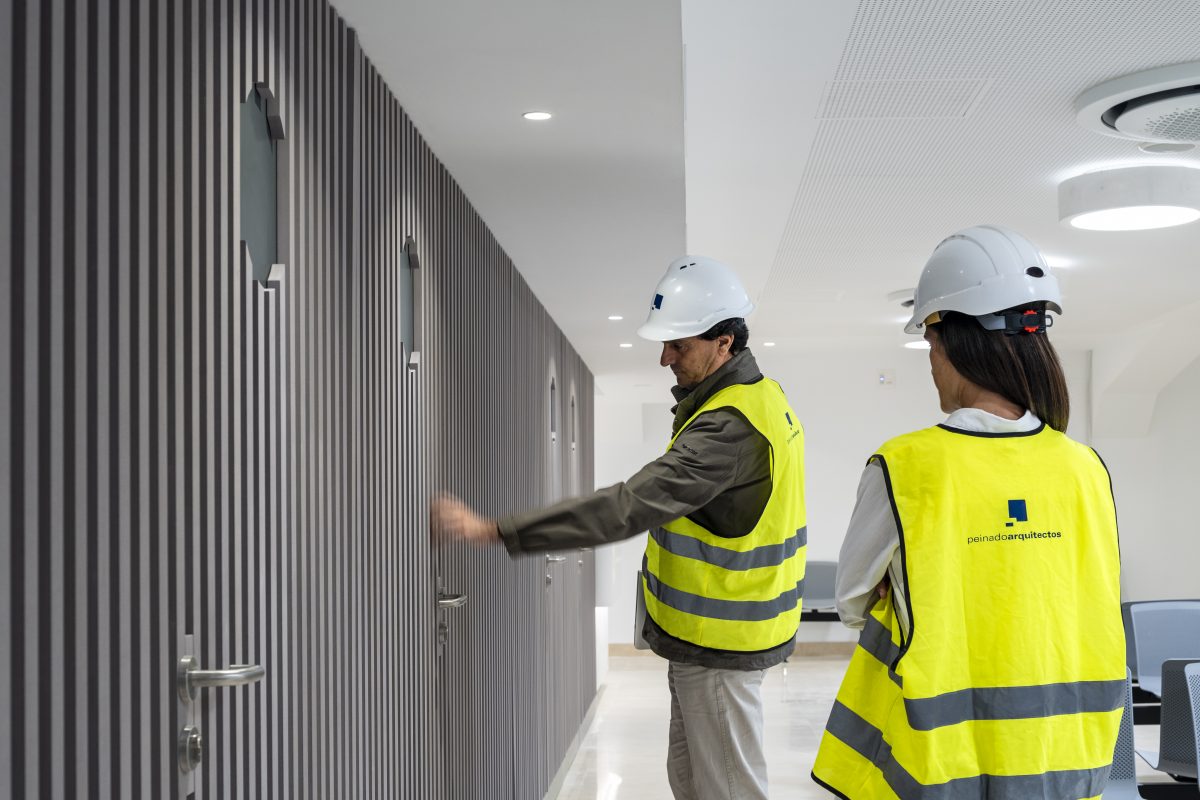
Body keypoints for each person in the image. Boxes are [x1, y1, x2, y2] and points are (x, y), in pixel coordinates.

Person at [432, 254, 807, 800]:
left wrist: (497, 530)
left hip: (723, 644)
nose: (664, 358)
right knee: (694, 781)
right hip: (715, 640)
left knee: (728, 789)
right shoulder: (762, 397)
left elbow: (626, 507)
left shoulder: (728, 429)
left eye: (678, 345)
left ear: (724, 343)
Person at [811, 225, 1125, 800]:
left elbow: (852, 601)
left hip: (948, 762)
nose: (932, 365)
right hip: (1068, 759)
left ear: (954, 344)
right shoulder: (1087, 468)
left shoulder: (904, 465)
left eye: (930, 347)